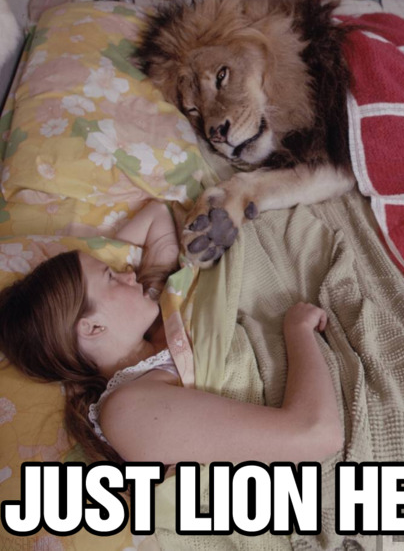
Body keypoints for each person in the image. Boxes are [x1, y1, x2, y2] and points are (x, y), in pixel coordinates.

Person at [0, 200, 343, 467]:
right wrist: (298, 330)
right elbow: (316, 435)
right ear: (92, 327)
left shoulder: (156, 312)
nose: (128, 274)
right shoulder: (127, 412)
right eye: (110, 277)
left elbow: (157, 215)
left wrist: (100, 248)